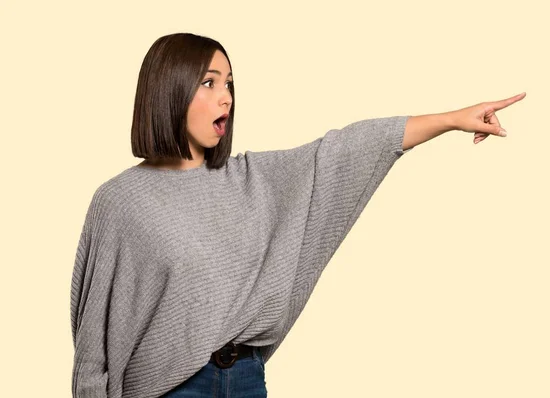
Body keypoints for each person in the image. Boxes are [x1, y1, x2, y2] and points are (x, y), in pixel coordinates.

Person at [70, 32, 525, 398]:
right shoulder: (121, 201)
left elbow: (343, 152)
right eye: (209, 82)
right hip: (166, 389)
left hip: (246, 381)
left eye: (229, 83)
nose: (226, 96)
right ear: (168, 88)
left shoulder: (253, 178)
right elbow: (93, 351)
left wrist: (450, 119)